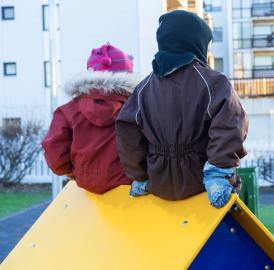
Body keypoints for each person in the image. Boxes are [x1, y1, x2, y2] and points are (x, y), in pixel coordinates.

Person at [116, 10, 248, 208]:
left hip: (159, 182)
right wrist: (219, 169)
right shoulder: (212, 82)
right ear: (196, 43)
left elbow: (127, 136)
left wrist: (140, 176)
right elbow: (231, 125)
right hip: (202, 181)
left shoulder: (143, 90)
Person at [42, 43, 140, 194]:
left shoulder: (67, 111)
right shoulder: (139, 108)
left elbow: (56, 158)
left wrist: (75, 171)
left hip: (87, 189)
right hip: (130, 189)